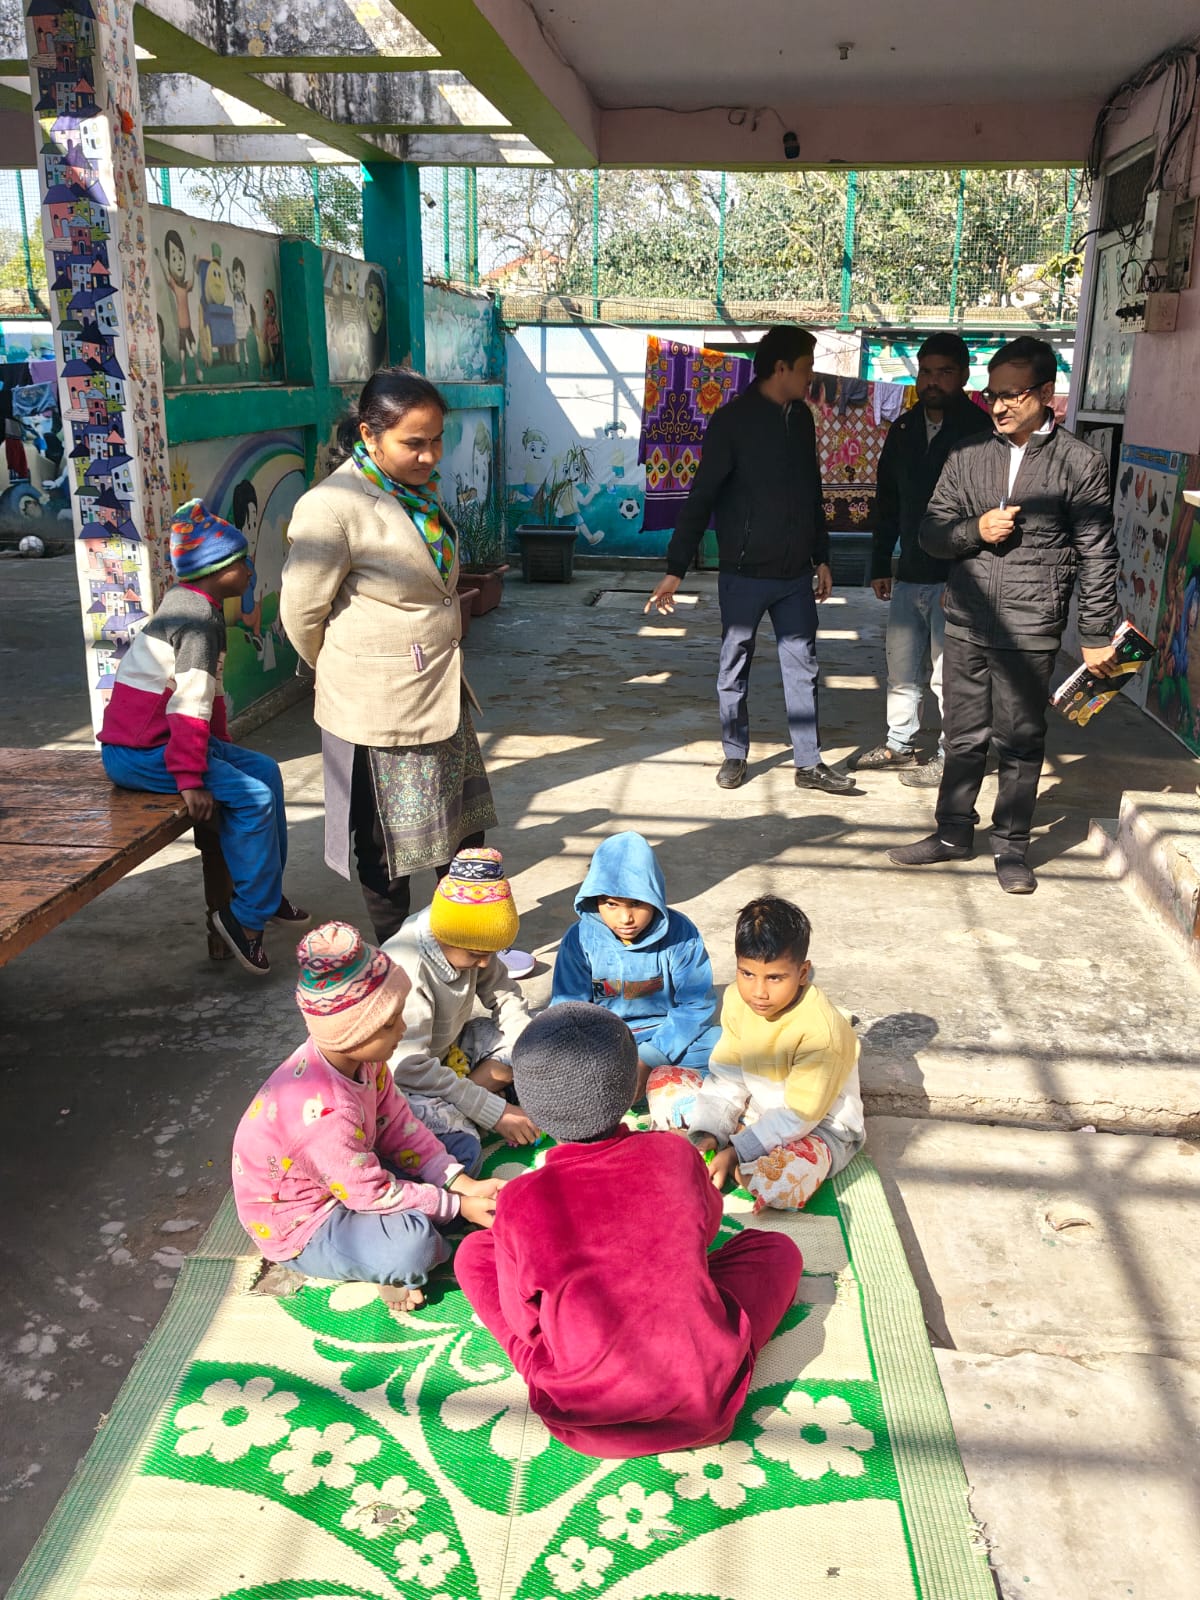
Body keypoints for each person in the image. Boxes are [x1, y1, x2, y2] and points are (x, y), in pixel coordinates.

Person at [454, 1004, 803, 1458]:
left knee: (474, 1254)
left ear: (530, 1105)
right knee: (777, 1251)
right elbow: (705, 1233)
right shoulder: (674, 1154)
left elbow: (524, 1321)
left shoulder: (520, 1199)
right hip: (706, 1404)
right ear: (631, 1087)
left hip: (583, 1420)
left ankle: (556, 1368)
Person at [888, 336, 1121, 894]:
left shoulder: (1080, 463)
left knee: (1019, 740)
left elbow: (1097, 552)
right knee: (962, 736)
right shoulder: (967, 454)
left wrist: (1094, 632)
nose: (999, 406)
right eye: (993, 394)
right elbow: (930, 532)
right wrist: (975, 530)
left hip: (1031, 624)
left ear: (1046, 392)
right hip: (966, 619)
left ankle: (1012, 846)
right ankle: (952, 833)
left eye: (1013, 395)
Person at [280, 368, 497, 944]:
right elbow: (300, 613)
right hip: (375, 710)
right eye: (414, 443)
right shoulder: (331, 507)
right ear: (369, 436)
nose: (429, 456)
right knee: (385, 847)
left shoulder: (416, 493)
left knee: (461, 835)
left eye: (436, 441)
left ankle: (464, 946)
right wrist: (350, 672)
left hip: (440, 692)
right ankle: (399, 957)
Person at [231, 922, 504, 1312]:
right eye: (389, 1024)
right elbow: (371, 1194)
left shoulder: (366, 1061)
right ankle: (393, 1261)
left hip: (350, 1175)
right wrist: (458, 1205)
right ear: (351, 1034)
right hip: (308, 1222)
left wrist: (458, 1182)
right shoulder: (325, 1115)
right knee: (415, 1245)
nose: (403, 1029)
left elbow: (399, 1124)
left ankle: (416, 1224)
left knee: (462, 1151)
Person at [98, 499, 308, 975]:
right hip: (140, 753)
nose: (250, 570)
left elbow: (208, 695)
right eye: (242, 561)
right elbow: (189, 706)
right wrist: (191, 779)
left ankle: (265, 893)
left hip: (160, 742)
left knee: (266, 771)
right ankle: (244, 918)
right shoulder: (198, 620)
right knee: (254, 798)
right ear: (217, 569)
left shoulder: (194, 604)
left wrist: (222, 747)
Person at [645, 326, 855, 796]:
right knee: (734, 665)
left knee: (803, 667)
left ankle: (808, 762)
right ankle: (734, 754)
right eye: (806, 367)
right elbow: (702, 496)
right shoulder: (732, 422)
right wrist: (676, 568)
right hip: (743, 574)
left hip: (794, 575)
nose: (811, 377)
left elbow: (811, 492)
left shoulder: (801, 419)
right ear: (781, 368)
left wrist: (822, 556)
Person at [648, 896, 863, 1214]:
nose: (759, 992)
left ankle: (742, 1164)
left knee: (782, 1184)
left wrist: (737, 1151)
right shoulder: (738, 1000)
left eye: (775, 977)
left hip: (816, 1127)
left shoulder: (821, 1031)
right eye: (747, 974)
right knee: (663, 1080)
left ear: (803, 973)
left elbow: (800, 1116)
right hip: (756, 1109)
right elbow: (728, 1076)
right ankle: (728, 1145)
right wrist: (708, 1132)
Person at [856, 332, 992, 787]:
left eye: (944, 373)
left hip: (958, 578)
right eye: (927, 372)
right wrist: (880, 563)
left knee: (948, 676)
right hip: (910, 572)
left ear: (964, 376)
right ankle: (899, 744)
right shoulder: (903, 430)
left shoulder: (980, 433)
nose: (933, 381)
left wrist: (972, 574)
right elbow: (887, 501)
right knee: (901, 668)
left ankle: (952, 754)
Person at [384, 848, 538, 1173]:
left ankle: (472, 1095)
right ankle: (477, 1100)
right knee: (462, 1156)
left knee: (531, 1038)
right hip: (407, 1081)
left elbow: (505, 997)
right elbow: (407, 1069)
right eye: (475, 955)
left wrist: (530, 1054)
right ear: (443, 936)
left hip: (449, 1057)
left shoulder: (471, 940)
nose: (484, 964)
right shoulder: (408, 965)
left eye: (491, 954)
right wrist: (492, 1110)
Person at [550, 830, 720, 1110]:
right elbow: (568, 1010)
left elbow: (696, 1005)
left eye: (637, 904)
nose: (625, 917)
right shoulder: (579, 939)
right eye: (611, 904)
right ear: (595, 900)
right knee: (550, 1054)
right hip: (604, 1041)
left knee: (727, 1050)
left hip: (666, 1035)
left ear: (654, 897)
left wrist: (648, 1058)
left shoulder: (681, 933)